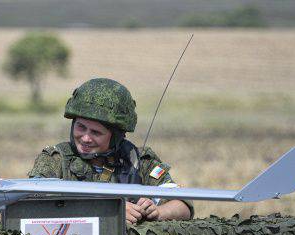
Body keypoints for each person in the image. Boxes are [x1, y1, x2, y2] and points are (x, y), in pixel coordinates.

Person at [29, 78, 193, 225]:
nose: (85, 138)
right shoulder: (56, 160)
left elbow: (183, 205)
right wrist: (111, 211)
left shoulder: (139, 161)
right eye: (81, 127)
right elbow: (32, 206)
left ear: (115, 137)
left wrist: (157, 212)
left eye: (96, 133)